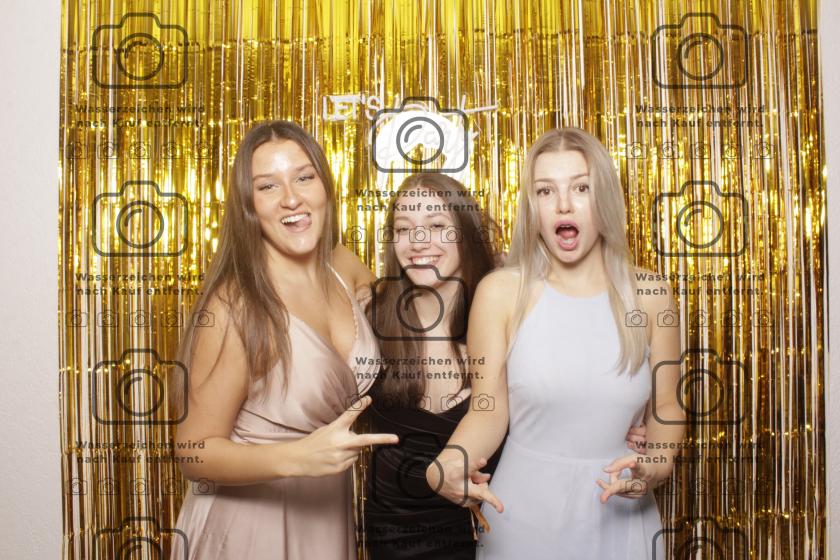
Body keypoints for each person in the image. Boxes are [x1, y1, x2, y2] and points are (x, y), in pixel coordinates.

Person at [355, 172, 650, 559]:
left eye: (438, 226)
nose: (419, 241)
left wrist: (620, 424)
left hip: (503, 525)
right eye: (404, 228)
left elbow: (579, 378)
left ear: (466, 233)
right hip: (396, 532)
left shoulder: (513, 309)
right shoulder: (370, 316)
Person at [427, 127, 685, 559]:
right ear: (533, 207)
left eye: (581, 187)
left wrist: (656, 463)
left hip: (622, 518)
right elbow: (487, 410)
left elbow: (667, 406)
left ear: (604, 197)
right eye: (545, 191)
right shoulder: (501, 292)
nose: (563, 204)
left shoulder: (651, 294)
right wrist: (451, 460)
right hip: (524, 519)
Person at [168, 120, 398, 560]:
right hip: (247, 529)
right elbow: (193, 454)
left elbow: (412, 326)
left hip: (326, 517)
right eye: (268, 186)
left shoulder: (343, 266)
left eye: (304, 177)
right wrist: (296, 458)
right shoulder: (235, 306)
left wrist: (485, 282)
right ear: (248, 205)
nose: (292, 198)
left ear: (325, 186)